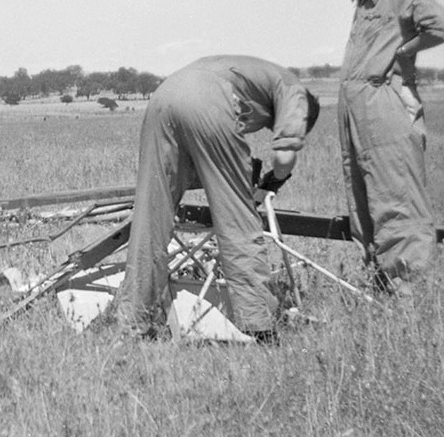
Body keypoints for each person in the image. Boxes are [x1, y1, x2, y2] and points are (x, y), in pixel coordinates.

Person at [117, 55, 322, 345]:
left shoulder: (259, 74)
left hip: (164, 97)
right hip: (209, 99)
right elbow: (284, 158)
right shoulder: (296, 93)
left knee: (150, 218)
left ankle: (133, 323)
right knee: (237, 218)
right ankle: (259, 325)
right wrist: (270, 183)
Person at [327, 0, 444, 293]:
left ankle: (407, 291)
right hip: (357, 112)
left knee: (395, 198)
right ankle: (380, 284)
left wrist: (404, 51)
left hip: (384, 107)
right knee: (363, 201)